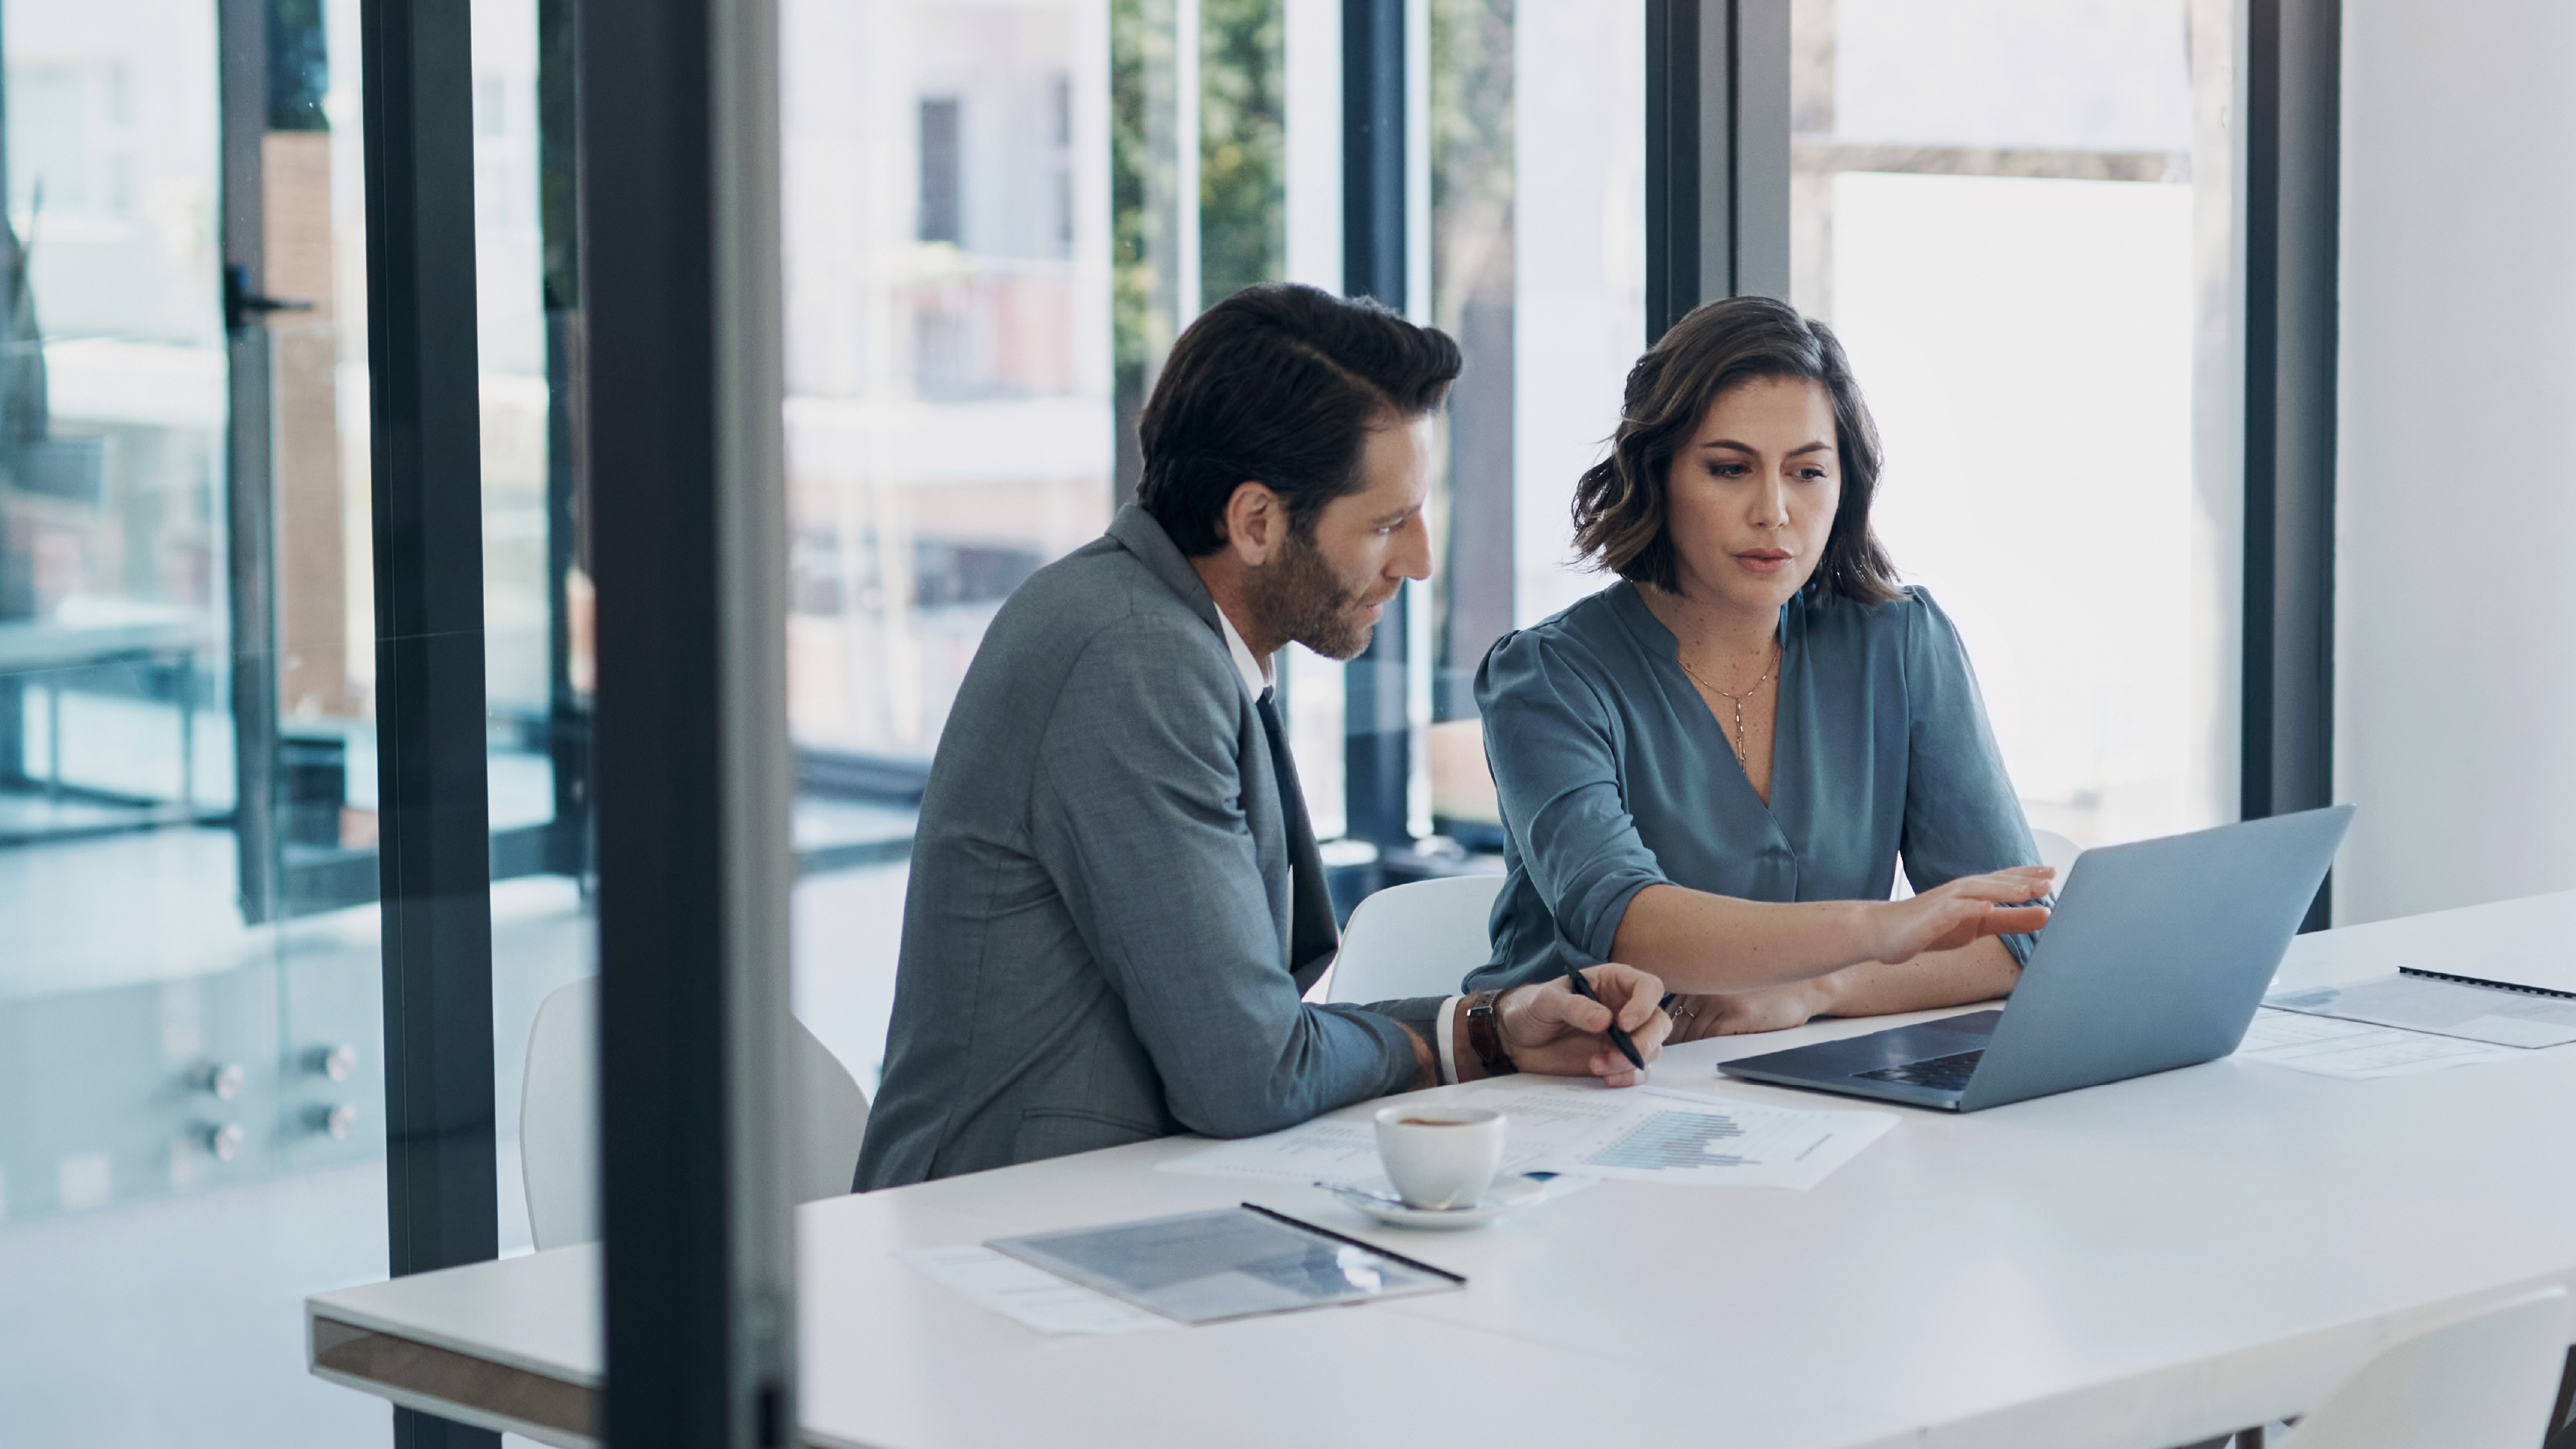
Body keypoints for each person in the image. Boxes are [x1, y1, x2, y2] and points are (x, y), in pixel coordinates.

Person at [855, 284, 1670, 1190]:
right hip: (1004, 1230)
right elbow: (1248, 1073)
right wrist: (1455, 1042)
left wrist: (1489, 1027)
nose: (1419, 561)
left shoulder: (1165, 630)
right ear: (1255, 522)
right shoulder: (1133, 658)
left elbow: (1251, 1035)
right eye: (1387, 523)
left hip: (1118, 1201)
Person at [1465, 295, 2052, 1039]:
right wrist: (1882, 929)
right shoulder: (1546, 677)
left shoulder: (1900, 642)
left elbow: (2017, 934)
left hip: (1801, 1091)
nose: (1773, 510)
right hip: (1574, 1087)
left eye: (1807, 472)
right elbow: (1624, 921)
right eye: (1728, 468)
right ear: (1658, 474)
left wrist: (1816, 989)